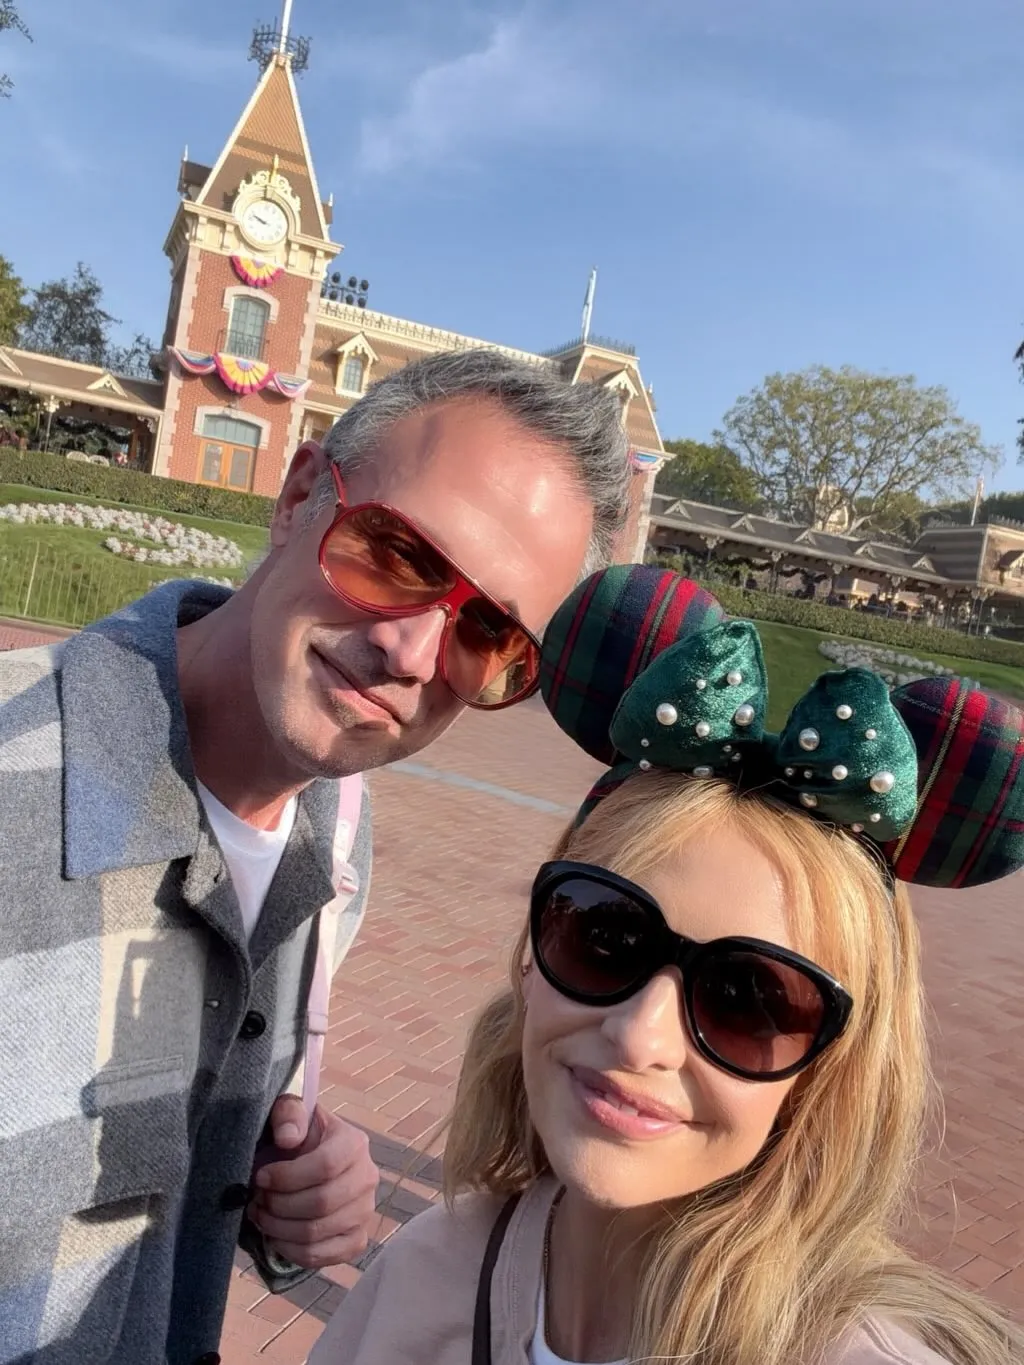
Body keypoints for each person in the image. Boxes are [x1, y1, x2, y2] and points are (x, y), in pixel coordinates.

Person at [0, 348, 631, 1365]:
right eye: (398, 555)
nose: (413, 653)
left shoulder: (336, 826)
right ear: (298, 496)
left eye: (488, 633)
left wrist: (266, 1189)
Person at [310, 564, 1024, 1365]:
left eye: (750, 999)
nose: (639, 1035)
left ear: (830, 1074)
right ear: (528, 957)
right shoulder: (427, 1271)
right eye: (604, 935)